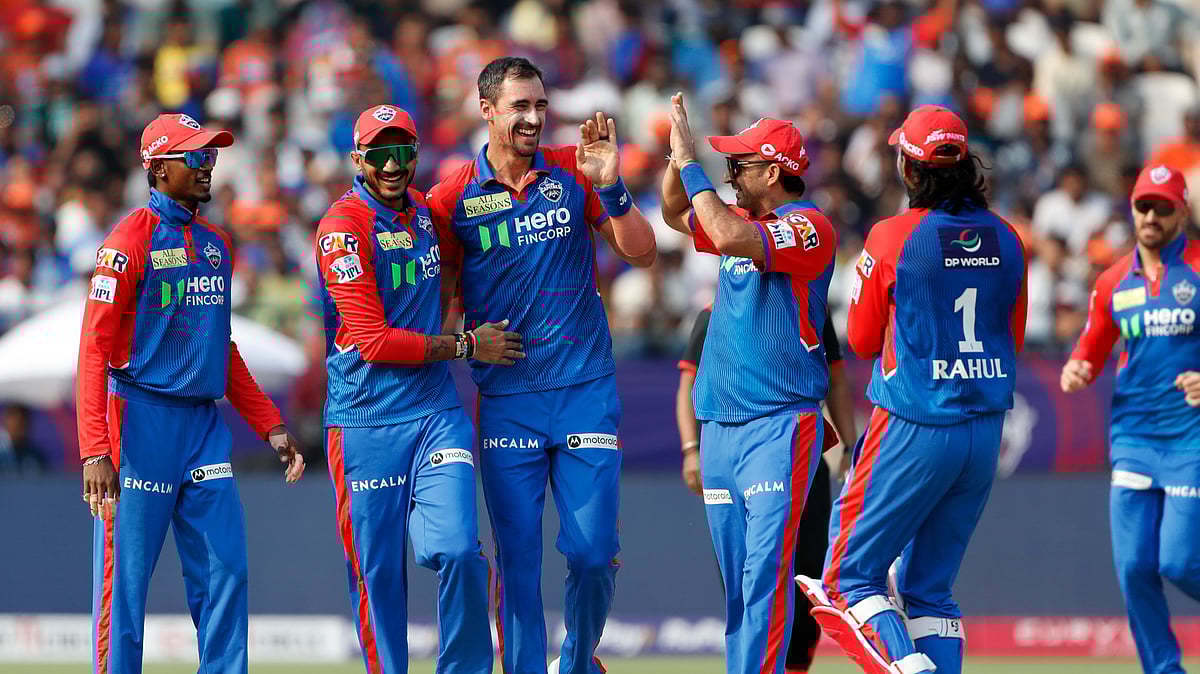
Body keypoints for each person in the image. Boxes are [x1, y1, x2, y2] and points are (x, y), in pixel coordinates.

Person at [426, 57, 657, 674]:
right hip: (507, 399)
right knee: (519, 561)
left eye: (540, 105)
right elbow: (438, 306)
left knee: (591, 553)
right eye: (519, 107)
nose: (533, 118)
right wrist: (467, 343)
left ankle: (578, 661)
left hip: (584, 386)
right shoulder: (450, 199)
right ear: (488, 110)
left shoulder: (571, 170)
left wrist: (610, 184)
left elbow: (643, 253)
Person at [797, 105, 1027, 674]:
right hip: (984, 432)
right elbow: (1012, 338)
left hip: (914, 424)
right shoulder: (1009, 238)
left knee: (845, 579)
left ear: (909, 167)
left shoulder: (893, 235)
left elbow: (864, 338)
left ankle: (907, 668)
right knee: (930, 592)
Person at [77, 112, 306, 674]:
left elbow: (218, 347)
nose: (209, 167)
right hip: (138, 423)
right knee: (125, 588)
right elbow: (92, 350)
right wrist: (94, 450)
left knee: (227, 570)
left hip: (204, 428)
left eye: (212, 155)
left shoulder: (216, 244)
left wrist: (270, 423)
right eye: (196, 157)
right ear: (158, 169)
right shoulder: (127, 239)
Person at [315, 104, 523, 674]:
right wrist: (462, 345)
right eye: (379, 153)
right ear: (358, 159)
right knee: (377, 574)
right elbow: (374, 341)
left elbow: (467, 252)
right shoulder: (341, 228)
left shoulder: (430, 212)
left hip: (435, 410)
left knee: (458, 548)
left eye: (402, 152)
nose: (392, 165)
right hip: (364, 419)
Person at [659, 92, 839, 674]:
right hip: (721, 430)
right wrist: (675, 157)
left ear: (774, 171)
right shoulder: (742, 221)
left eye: (739, 165)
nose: (730, 174)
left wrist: (693, 164)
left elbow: (730, 237)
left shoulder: (807, 227)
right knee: (739, 583)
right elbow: (671, 214)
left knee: (766, 575)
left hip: (780, 424)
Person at [1061, 163, 1200, 674]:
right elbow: (1094, 343)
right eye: (1144, 205)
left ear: (1181, 212)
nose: (1151, 215)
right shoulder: (1113, 281)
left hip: (1190, 440)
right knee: (1134, 567)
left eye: (1163, 207)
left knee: (1179, 562)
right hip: (1133, 437)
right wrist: (1079, 367)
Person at [676, 309, 859, 674]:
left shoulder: (808, 307)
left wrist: (851, 447)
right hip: (729, 453)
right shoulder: (712, 316)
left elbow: (836, 379)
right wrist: (690, 449)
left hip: (797, 452)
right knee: (745, 574)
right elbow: (688, 387)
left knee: (804, 573)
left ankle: (787, 667)